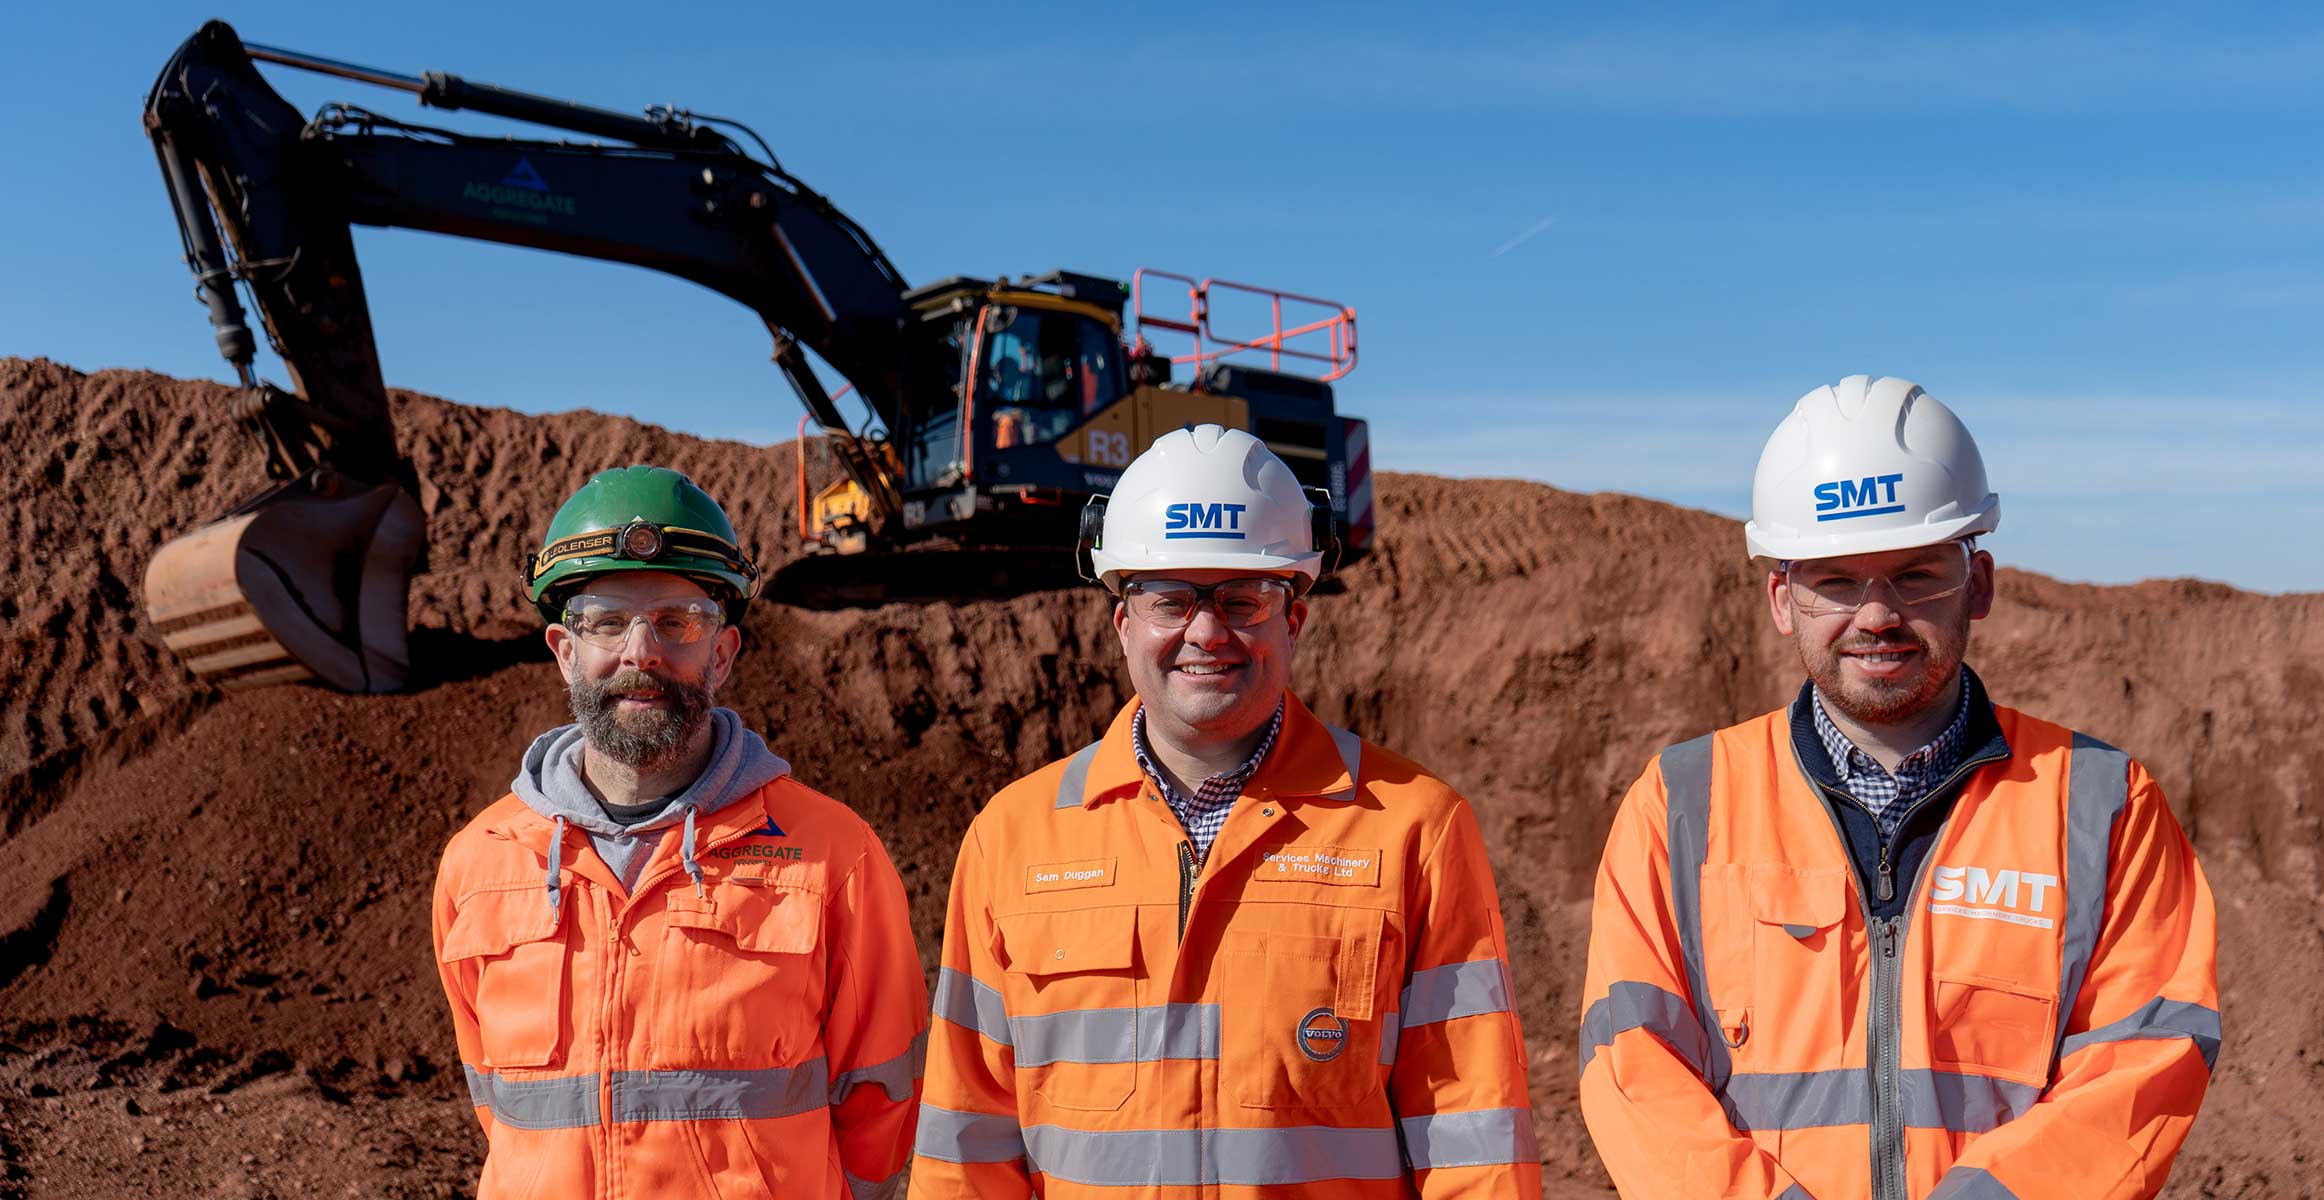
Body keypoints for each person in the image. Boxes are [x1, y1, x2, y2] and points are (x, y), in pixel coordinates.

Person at [1579, 377, 2219, 1199]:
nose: (1876, 615)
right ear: (1783, 600)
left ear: (1978, 583)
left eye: (1915, 575)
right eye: (1836, 581)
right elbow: (1632, 1061)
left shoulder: (2103, 805)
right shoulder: (1682, 803)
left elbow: (2145, 1057)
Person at [909, 425, 1540, 1198]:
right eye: (1171, 599)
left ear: (1294, 620)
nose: (1206, 632)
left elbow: (1475, 1137)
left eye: (1242, 599)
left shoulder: (1415, 828)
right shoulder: (1010, 839)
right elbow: (965, 1146)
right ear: (1123, 624)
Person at [431, 465, 926, 1199]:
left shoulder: (833, 856)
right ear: (566, 652)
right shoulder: (480, 864)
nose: (642, 653)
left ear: (720, 654)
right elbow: (498, 1106)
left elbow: (887, 1115)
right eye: (606, 621)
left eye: (677, 622)